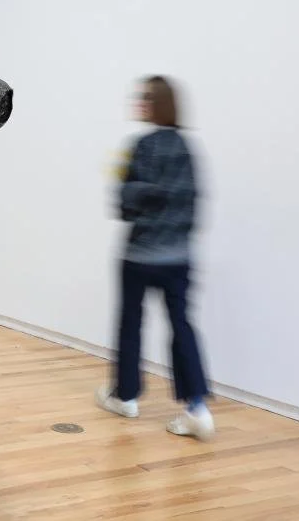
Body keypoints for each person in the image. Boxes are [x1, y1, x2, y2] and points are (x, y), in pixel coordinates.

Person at [95, 75, 214, 440]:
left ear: (156, 105)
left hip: (139, 256)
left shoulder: (141, 146)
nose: (139, 102)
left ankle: (126, 396)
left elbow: (124, 206)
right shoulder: (189, 149)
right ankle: (197, 408)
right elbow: (195, 206)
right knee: (182, 325)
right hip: (179, 257)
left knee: (131, 323)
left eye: (145, 97)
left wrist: (134, 195)